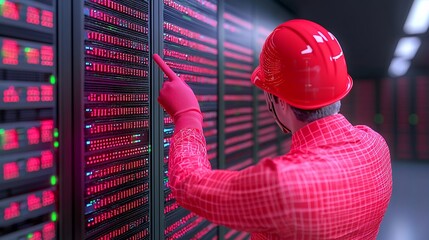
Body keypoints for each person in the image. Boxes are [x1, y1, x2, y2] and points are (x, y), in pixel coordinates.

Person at [153, 19, 392, 240]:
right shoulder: (376, 145)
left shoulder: (283, 183)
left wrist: (187, 115)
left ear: (280, 101)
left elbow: (188, 185)